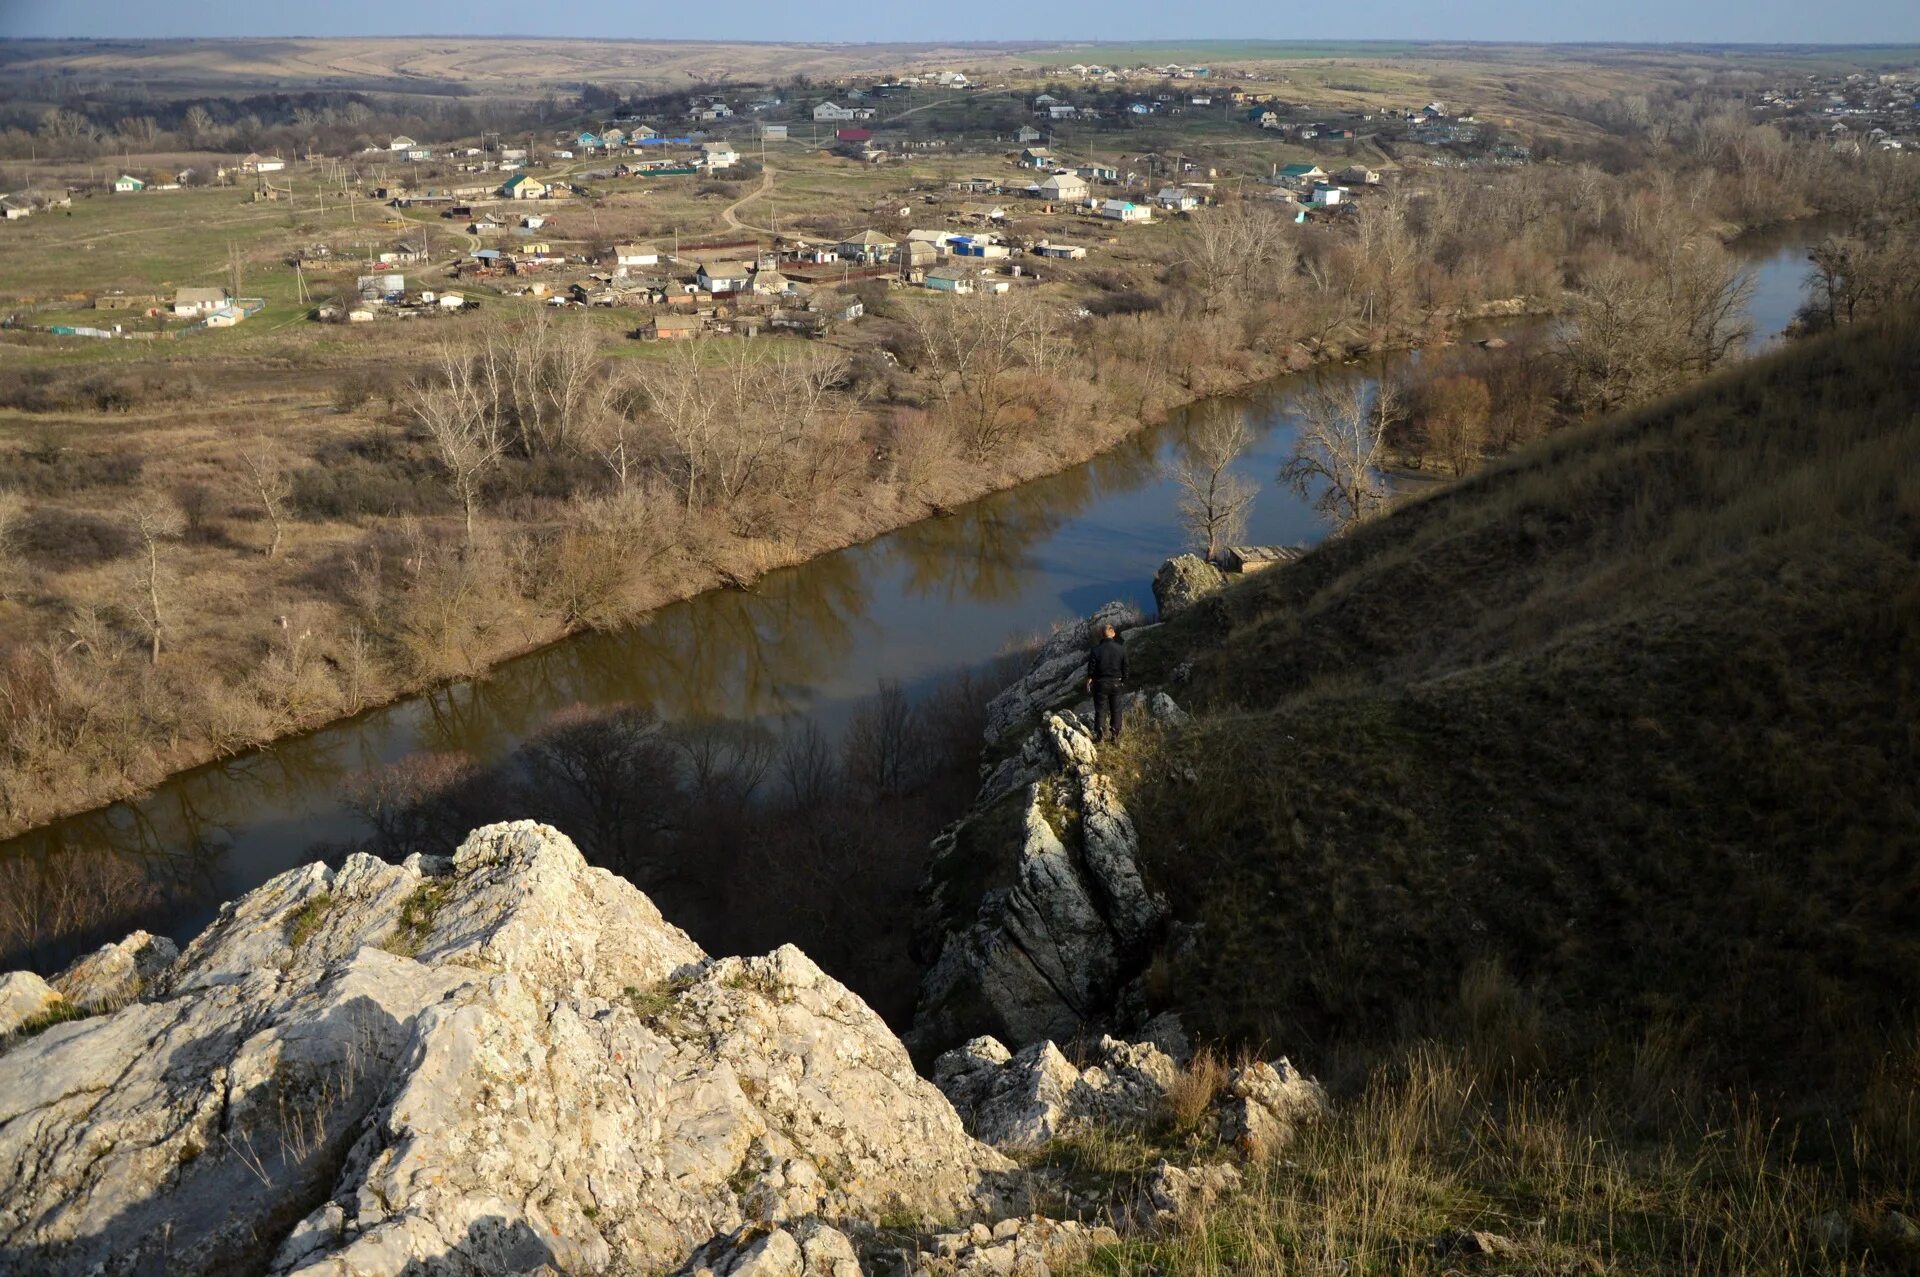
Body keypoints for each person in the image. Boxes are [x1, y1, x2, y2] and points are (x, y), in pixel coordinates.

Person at [1085, 621, 1128, 744]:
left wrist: (1089, 679)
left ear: (1102, 635)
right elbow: (1126, 667)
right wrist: (1123, 680)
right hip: (1116, 683)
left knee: (1100, 709)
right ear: (1113, 634)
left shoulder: (1096, 650)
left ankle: (1099, 735)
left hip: (1100, 684)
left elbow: (1091, 669)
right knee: (1116, 709)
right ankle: (1115, 734)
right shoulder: (1121, 649)